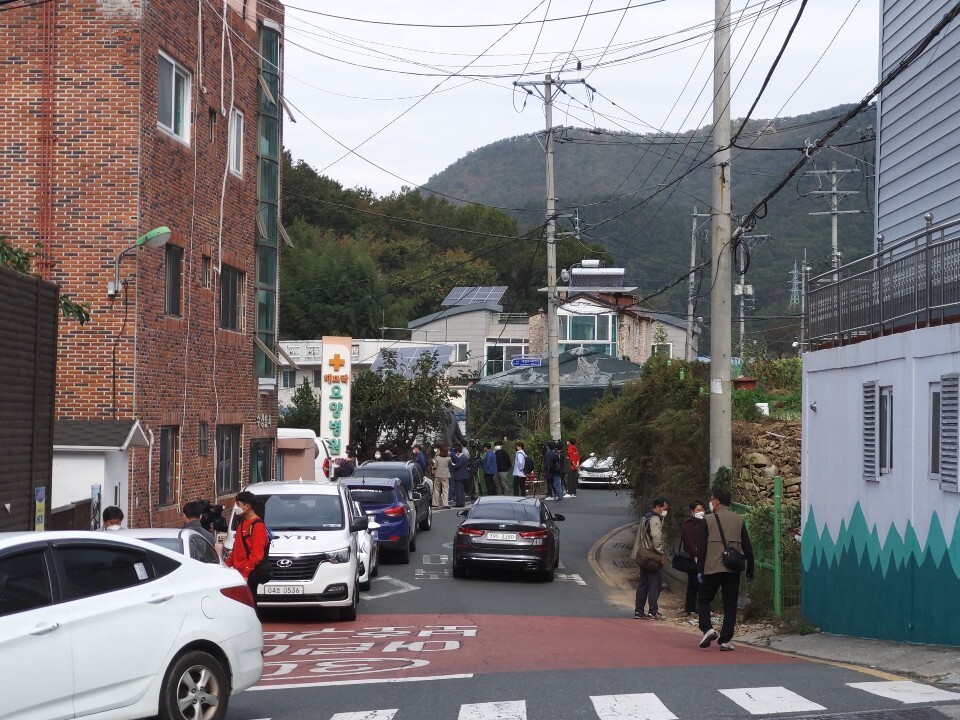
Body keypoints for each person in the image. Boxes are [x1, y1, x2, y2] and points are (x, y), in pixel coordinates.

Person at [697, 487, 755, 651]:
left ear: (716, 501)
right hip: (733, 568)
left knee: (703, 599)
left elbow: (701, 549)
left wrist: (700, 570)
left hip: (712, 568)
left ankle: (707, 629)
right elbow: (747, 546)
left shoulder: (707, 520)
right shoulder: (739, 519)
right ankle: (725, 640)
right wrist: (751, 566)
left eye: (711, 499)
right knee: (730, 604)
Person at [225, 490, 271, 598]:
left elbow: (257, 554)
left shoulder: (257, 526)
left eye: (238, 504)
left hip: (249, 574)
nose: (236, 507)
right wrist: (226, 565)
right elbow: (236, 548)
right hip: (239, 572)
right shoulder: (242, 522)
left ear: (247, 506)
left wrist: (246, 573)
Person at [634, 497, 669, 620]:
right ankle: (653, 611)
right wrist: (662, 554)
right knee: (655, 584)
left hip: (643, 555)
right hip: (653, 557)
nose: (665, 512)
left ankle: (638, 611)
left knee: (643, 583)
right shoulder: (655, 519)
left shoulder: (645, 516)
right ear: (658, 507)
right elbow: (656, 538)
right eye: (664, 509)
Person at [682, 500, 706, 615]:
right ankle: (695, 608)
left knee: (693, 584)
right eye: (698, 510)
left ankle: (691, 608)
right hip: (694, 559)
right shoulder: (689, 524)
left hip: (702, 557)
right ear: (692, 511)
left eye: (702, 510)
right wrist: (696, 555)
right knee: (696, 583)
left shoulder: (704, 522)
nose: (701, 512)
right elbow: (689, 543)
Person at [449, 443, 468, 508]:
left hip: (459, 476)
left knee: (458, 490)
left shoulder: (461, 458)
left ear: (457, 452)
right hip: (464, 476)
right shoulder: (465, 457)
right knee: (462, 490)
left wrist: (451, 465)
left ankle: (459, 503)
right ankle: (462, 503)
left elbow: (457, 466)